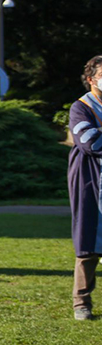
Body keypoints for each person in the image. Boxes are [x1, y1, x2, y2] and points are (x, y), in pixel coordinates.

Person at [67, 55, 102, 321]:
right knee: (89, 240)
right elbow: (90, 143)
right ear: (91, 79)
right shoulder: (81, 107)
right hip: (91, 180)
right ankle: (82, 302)